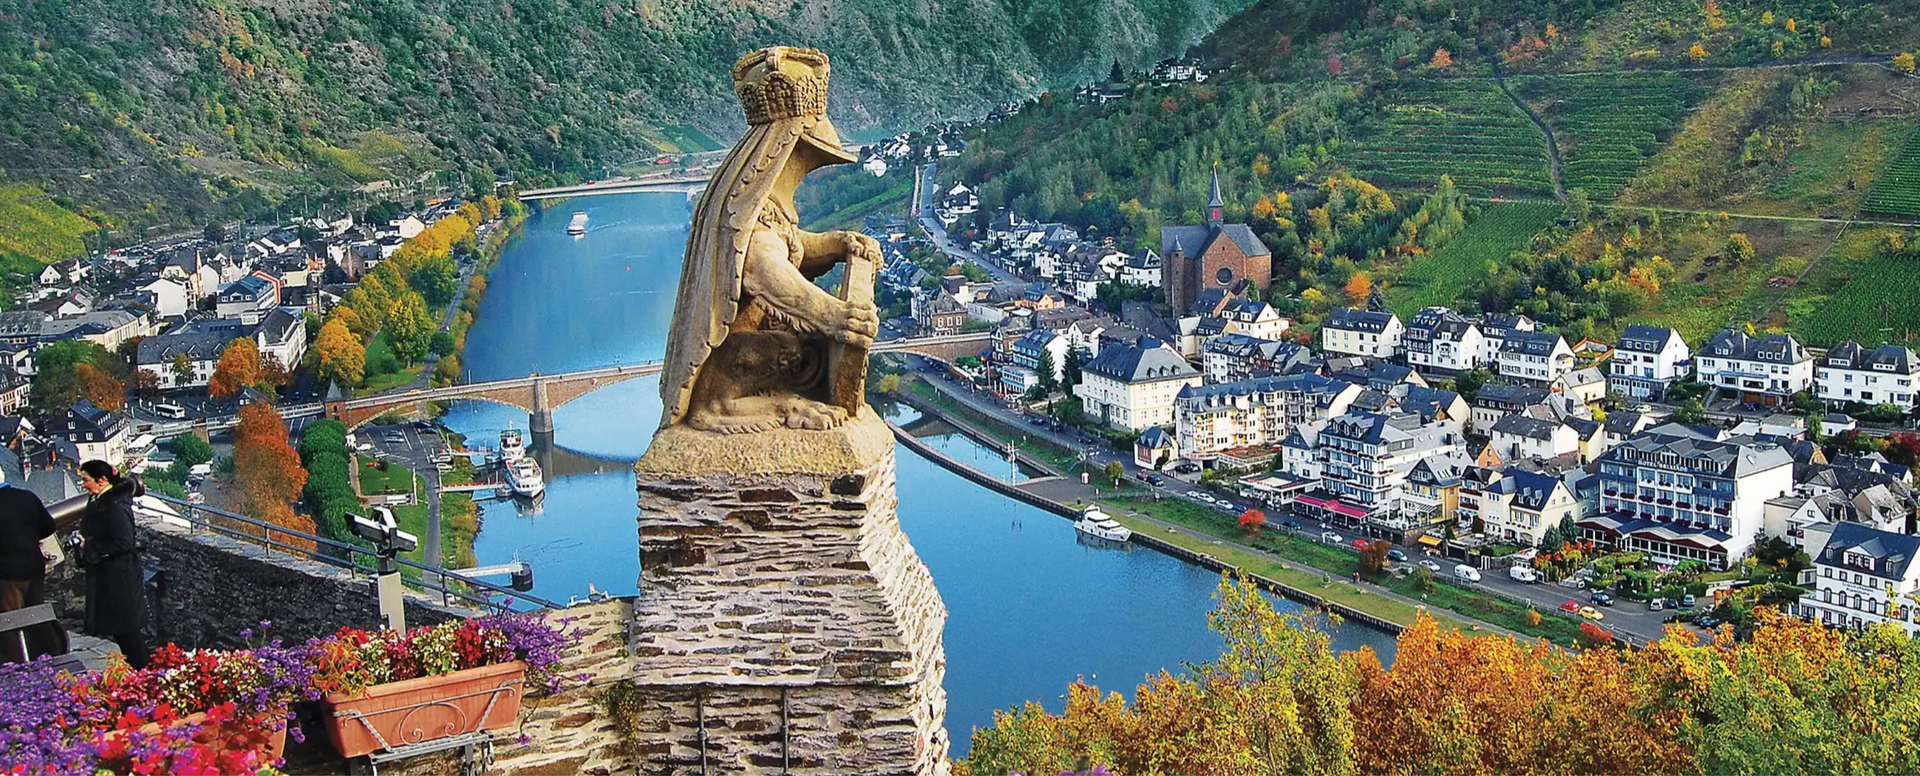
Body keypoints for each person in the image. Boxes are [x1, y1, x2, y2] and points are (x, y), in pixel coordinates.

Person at [76, 460, 148, 669]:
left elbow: (124, 541)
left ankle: (144, 675)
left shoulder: (113, 506)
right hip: (112, 574)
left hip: (119, 576)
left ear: (102, 480)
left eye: (86, 480)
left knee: (129, 632)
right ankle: (139, 674)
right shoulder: (102, 501)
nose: (83, 484)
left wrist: (89, 545)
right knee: (123, 632)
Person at [0, 470, 55, 613]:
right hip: (34, 565)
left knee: (10, 622)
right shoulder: (27, 497)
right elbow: (49, 526)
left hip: (7, 572)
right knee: (37, 616)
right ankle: (49, 636)